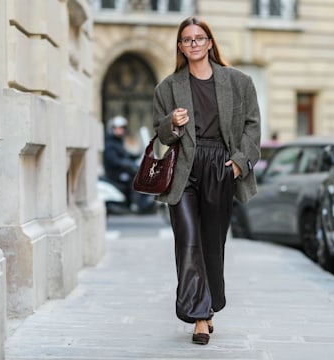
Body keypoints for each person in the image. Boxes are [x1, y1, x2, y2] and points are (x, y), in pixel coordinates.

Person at [152, 16, 261, 345]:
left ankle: (209, 306)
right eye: (187, 40)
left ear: (210, 43)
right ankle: (199, 316)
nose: (194, 44)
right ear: (181, 47)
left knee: (212, 243)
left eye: (199, 38)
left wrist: (239, 164)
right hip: (184, 168)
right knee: (188, 240)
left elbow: (252, 126)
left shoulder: (239, 81)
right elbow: (160, 134)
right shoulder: (169, 87)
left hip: (221, 166)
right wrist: (172, 123)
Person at [103, 115, 141, 210]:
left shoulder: (118, 141)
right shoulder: (110, 143)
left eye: (123, 128)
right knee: (133, 179)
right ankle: (133, 203)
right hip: (115, 173)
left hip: (121, 170)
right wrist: (126, 163)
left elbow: (125, 154)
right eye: (119, 128)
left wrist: (136, 156)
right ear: (113, 129)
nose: (121, 130)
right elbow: (113, 160)